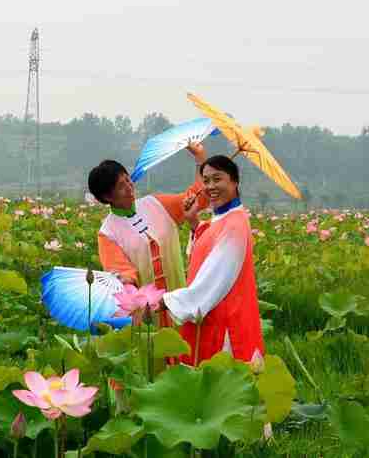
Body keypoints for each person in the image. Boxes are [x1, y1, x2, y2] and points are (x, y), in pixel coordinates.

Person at [87, 144, 209, 326]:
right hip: (147, 315)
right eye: (121, 186)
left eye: (128, 180)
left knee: (186, 349)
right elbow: (123, 273)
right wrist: (126, 282)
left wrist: (200, 159)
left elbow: (199, 198)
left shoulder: (156, 204)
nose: (129, 188)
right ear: (107, 197)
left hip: (180, 303)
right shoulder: (108, 232)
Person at [162, 155, 265, 365]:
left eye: (217, 179)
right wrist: (193, 221)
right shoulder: (222, 218)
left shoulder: (235, 225)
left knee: (222, 389)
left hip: (226, 325)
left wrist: (164, 301)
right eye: (206, 180)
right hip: (211, 318)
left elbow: (211, 280)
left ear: (235, 182)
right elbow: (205, 250)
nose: (210, 186)